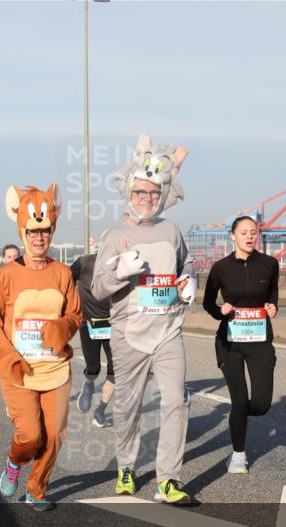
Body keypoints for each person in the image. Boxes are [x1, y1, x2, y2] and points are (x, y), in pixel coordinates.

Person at [92, 134, 196, 505]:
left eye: (153, 192)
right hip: (129, 334)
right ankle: (126, 467)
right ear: (128, 192)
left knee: (177, 401)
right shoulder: (115, 235)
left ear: (162, 194)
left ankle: (168, 480)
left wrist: (189, 281)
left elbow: (186, 264)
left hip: (168, 330)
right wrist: (120, 271)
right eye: (140, 192)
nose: (147, 198)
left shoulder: (171, 230)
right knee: (128, 406)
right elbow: (98, 288)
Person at [0, 183, 82, 511]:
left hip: (56, 369)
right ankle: (14, 463)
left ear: (52, 231)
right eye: (33, 231)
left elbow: (75, 314)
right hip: (19, 370)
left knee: (53, 435)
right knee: (30, 435)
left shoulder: (62, 273)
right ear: (23, 231)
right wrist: (7, 357)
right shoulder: (6, 276)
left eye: (45, 231)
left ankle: (36, 490)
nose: (39, 237)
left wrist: (61, 328)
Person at [202, 216, 279, 473]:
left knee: (261, 404)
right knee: (239, 400)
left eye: (253, 232)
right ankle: (238, 454)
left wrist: (272, 306)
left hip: (260, 340)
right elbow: (208, 302)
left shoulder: (269, 264)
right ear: (233, 235)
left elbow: (273, 294)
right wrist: (220, 310)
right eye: (244, 232)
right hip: (230, 341)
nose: (249, 236)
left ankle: (240, 415)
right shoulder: (220, 268)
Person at [70, 242, 115, 428]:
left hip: (115, 324)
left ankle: (101, 410)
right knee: (93, 367)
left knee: (115, 369)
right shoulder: (84, 263)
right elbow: (65, 282)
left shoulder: (123, 265)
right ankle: (89, 383)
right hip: (89, 323)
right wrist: (73, 307)